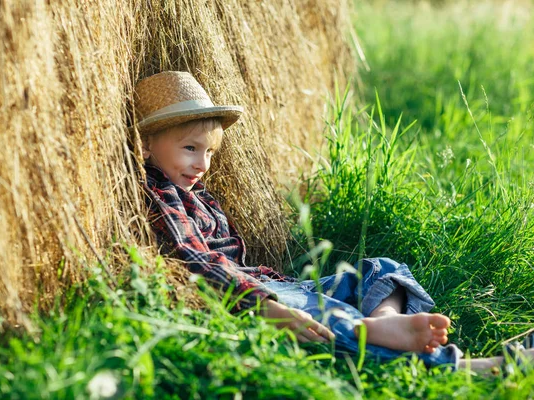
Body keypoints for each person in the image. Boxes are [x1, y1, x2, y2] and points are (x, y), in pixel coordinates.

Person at [134, 70, 533, 373]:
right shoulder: (160, 194)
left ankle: (383, 322)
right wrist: (265, 306)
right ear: (147, 144)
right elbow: (192, 259)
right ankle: (478, 367)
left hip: (270, 285)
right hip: (243, 298)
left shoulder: (195, 193)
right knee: (320, 322)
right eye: (190, 149)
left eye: (207, 153)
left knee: (382, 270)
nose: (202, 164)